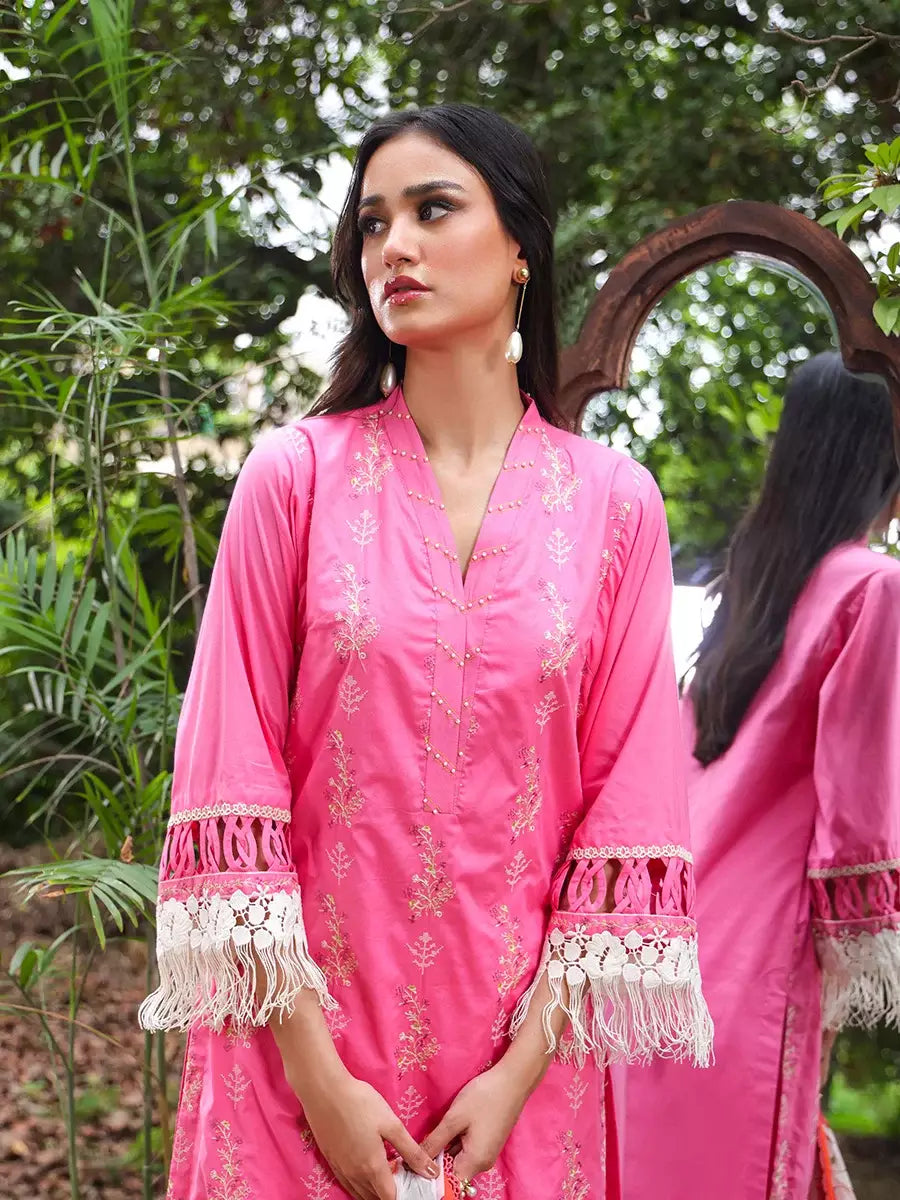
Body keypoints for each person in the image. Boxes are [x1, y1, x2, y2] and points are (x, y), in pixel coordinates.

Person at [140, 103, 712, 1200]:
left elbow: (625, 816)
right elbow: (230, 791)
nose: (392, 247)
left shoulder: (615, 506)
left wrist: (517, 1076)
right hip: (295, 1071)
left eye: (432, 209)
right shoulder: (293, 479)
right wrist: (319, 1081)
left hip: (517, 1093)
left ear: (520, 248)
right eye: (372, 224)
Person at [624, 352, 900, 1200]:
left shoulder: (752, 579)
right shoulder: (874, 586)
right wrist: (855, 957)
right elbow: (859, 816)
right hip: (763, 953)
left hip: (668, 940)